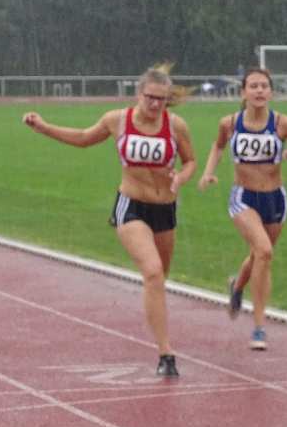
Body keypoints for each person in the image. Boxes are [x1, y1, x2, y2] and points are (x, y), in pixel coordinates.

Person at [22, 65, 196, 376]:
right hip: (131, 206)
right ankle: (166, 354)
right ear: (138, 94)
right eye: (150, 97)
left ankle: (154, 320)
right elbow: (83, 138)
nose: (155, 104)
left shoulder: (175, 125)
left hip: (164, 209)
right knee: (153, 272)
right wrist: (43, 127)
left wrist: (181, 177)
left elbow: (191, 160)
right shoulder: (117, 120)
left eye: (161, 99)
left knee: (159, 278)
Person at [197, 68, 287, 350]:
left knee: (259, 255)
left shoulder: (283, 123)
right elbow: (218, 146)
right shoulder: (229, 123)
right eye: (253, 86)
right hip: (243, 197)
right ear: (243, 92)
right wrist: (208, 172)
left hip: (275, 199)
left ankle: (237, 286)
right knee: (264, 251)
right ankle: (259, 327)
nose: (259, 91)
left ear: (271, 92)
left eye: (264, 86)